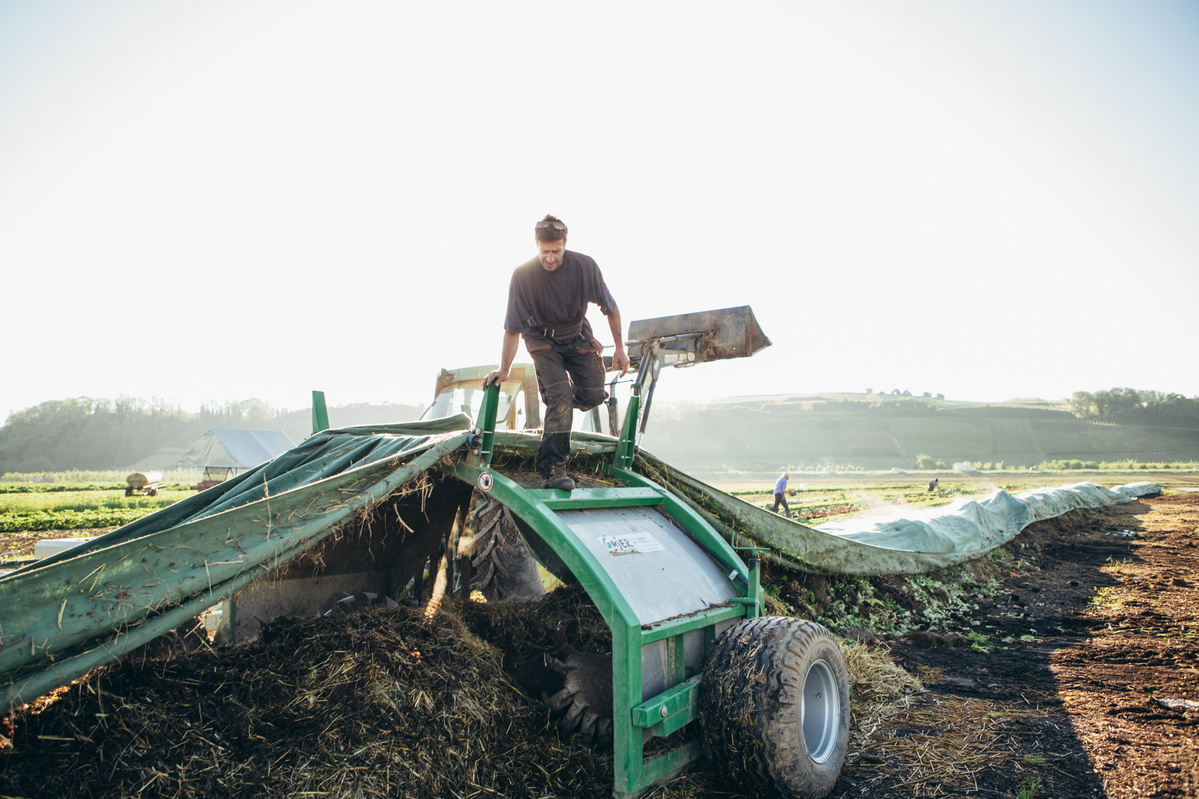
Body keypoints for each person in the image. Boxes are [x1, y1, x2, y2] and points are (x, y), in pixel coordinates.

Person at [485, 215, 630, 490]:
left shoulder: (584, 266)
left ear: (565, 245)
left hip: (576, 334)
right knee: (562, 395)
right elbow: (512, 329)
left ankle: (556, 401)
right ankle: (554, 470)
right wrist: (504, 369)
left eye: (556, 251)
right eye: (544, 252)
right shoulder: (523, 275)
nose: (550, 258)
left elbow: (611, 308)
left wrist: (620, 349)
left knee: (593, 394)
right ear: (536, 246)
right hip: (541, 339)